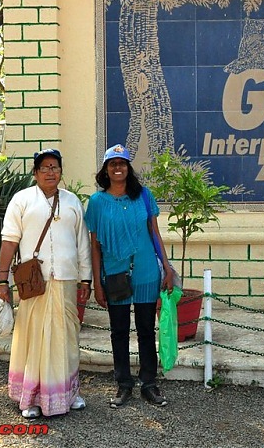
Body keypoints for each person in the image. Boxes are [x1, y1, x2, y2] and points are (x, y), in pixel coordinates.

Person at [0, 148, 92, 419]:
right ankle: (32, 398)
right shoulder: (22, 200)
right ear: (35, 172)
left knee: (66, 337)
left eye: (55, 167)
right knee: (34, 336)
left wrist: (86, 278)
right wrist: (2, 280)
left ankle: (68, 393)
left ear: (61, 171)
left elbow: (82, 243)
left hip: (65, 281)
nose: (51, 172)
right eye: (45, 167)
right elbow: (9, 242)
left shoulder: (72, 202)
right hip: (34, 283)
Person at [84, 144, 175, 408]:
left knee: (147, 330)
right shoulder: (98, 202)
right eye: (112, 164)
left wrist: (166, 268)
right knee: (119, 331)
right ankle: (123, 385)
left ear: (128, 168)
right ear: (106, 169)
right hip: (115, 274)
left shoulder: (144, 196)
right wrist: (97, 284)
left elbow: (155, 234)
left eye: (122, 163)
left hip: (146, 271)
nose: (118, 168)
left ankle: (149, 383)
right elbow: (95, 245)